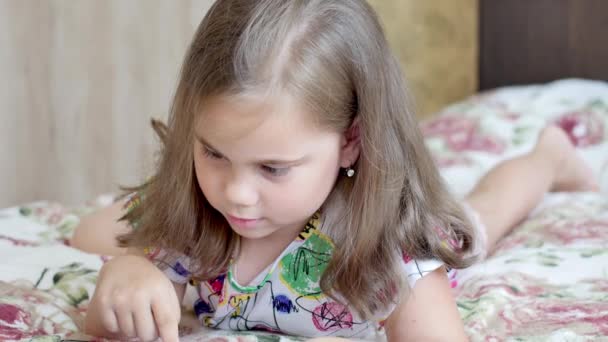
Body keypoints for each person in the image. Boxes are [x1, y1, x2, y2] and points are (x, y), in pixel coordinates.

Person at [71, 1, 599, 341]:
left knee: (478, 220)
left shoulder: (397, 254)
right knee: (87, 233)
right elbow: (106, 319)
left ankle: (547, 158)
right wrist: (128, 275)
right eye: (213, 152)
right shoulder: (198, 210)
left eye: (273, 168)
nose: (237, 194)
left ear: (351, 141)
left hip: (390, 222)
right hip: (177, 216)